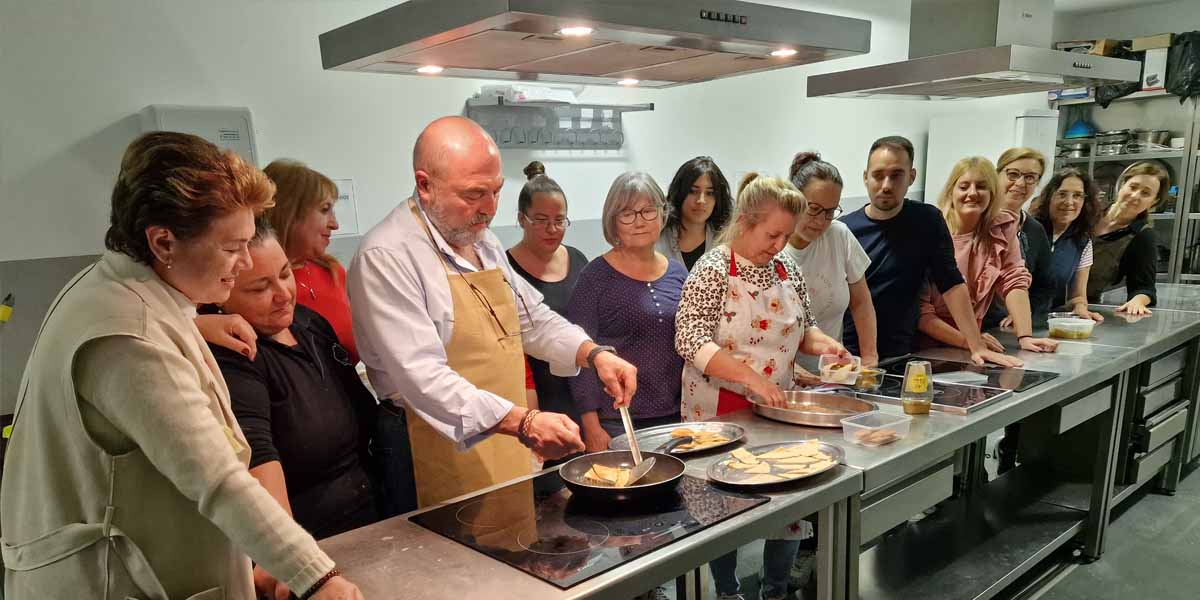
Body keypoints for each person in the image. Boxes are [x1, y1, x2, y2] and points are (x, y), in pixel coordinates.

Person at [0, 132, 361, 600]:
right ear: (164, 242)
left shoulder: (121, 289)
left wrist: (200, 324)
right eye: (232, 248)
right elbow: (216, 477)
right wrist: (316, 577)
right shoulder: (128, 335)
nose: (245, 262)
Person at [347, 116, 639, 508]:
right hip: (429, 443)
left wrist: (593, 353)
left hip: (501, 433)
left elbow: (532, 320)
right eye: (473, 194)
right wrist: (525, 421)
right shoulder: (387, 256)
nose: (488, 209)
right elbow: (423, 379)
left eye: (497, 192)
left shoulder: (482, 240)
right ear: (424, 185)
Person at [675, 173, 849, 600]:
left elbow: (802, 329)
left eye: (785, 236)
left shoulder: (786, 266)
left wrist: (827, 347)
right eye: (772, 234)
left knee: (788, 500)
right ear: (745, 221)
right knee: (720, 507)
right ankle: (728, 591)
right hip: (717, 411)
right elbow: (689, 338)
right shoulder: (713, 269)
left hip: (775, 408)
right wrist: (750, 377)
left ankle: (775, 590)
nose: (779, 245)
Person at [206, 219, 381, 541]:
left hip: (373, 516)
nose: (283, 294)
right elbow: (255, 455)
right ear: (220, 293)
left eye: (285, 274)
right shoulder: (233, 355)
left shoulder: (310, 324)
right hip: (315, 538)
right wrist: (292, 556)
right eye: (260, 288)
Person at [840, 136, 1021, 367]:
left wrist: (976, 345)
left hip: (902, 354)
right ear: (866, 178)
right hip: (848, 355)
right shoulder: (845, 229)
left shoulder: (927, 220)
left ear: (911, 177)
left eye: (896, 175)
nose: (886, 185)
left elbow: (951, 283)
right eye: (878, 175)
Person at [568, 172, 688, 452]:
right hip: (616, 420)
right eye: (627, 213)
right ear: (613, 221)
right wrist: (591, 427)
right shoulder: (595, 277)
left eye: (648, 210)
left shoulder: (678, 272)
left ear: (662, 213)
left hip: (673, 417)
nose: (639, 221)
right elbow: (578, 355)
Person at [917, 157, 1058, 354]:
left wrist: (1025, 336)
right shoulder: (929, 230)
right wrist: (970, 341)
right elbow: (920, 312)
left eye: (981, 187)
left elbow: (1014, 279)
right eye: (964, 186)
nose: (972, 193)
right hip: (927, 343)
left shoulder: (1001, 228)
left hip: (973, 337)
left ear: (993, 193)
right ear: (951, 192)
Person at [506, 161, 589, 469]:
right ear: (521, 219)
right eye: (541, 220)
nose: (552, 229)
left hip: (580, 393)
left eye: (559, 220)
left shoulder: (579, 259)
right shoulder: (506, 270)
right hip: (534, 397)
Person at [784, 151, 879, 367]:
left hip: (832, 373)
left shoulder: (839, 235)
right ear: (794, 198)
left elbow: (862, 302)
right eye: (814, 209)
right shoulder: (773, 248)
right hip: (785, 378)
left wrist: (870, 357)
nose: (821, 221)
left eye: (830, 212)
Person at [262, 159, 358, 362]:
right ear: (289, 214)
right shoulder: (257, 286)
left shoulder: (332, 271)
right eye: (324, 210)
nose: (335, 224)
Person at [984, 147, 1054, 327]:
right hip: (971, 326)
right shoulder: (976, 222)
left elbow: (1044, 285)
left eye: (1030, 177)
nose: (1021, 183)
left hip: (1011, 329)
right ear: (997, 175)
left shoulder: (1035, 230)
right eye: (1013, 174)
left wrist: (1023, 313)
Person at [1088, 161, 1170, 315]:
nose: (1135, 196)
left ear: (1154, 201)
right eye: (1133, 187)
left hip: (1083, 309)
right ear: (1123, 184)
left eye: (1145, 193)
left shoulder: (1142, 237)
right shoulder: (1088, 213)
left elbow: (1144, 288)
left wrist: (1137, 301)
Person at [1029, 168, 1105, 320]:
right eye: (1062, 194)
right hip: (1004, 319)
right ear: (1049, 197)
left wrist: (1080, 307)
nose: (1069, 202)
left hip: (1043, 322)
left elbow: (1077, 295)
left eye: (1077, 195)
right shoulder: (1027, 230)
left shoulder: (1083, 242)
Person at [658, 156, 734, 271]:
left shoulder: (725, 242)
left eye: (710, 193)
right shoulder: (658, 237)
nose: (701, 200)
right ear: (679, 192)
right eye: (693, 191)